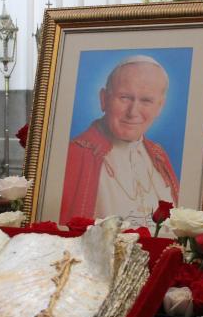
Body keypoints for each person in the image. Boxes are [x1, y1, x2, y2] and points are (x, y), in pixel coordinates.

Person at [60, 55, 180, 225]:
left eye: (146, 100)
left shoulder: (158, 156)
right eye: (124, 97)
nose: (133, 112)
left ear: (159, 107)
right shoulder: (74, 156)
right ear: (104, 99)